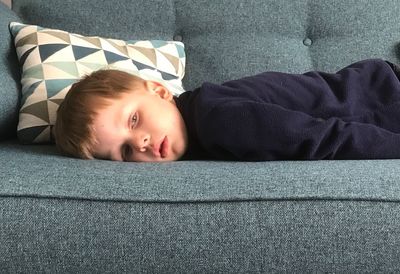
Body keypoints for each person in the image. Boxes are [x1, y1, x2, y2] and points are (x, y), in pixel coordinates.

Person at [54, 58, 400, 162]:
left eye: (133, 119)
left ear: (160, 91)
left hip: (381, 97)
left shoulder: (216, 118)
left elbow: (322, 138)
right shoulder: (196, 125)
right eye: (126, 151)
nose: (141, 142)